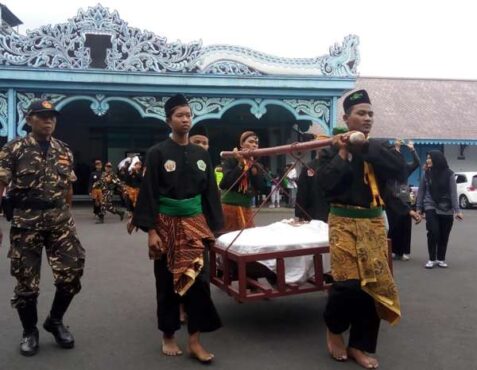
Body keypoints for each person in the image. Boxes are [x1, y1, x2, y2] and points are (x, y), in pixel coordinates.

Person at [131, 94, 223, 363]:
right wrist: (150, 231)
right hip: (166, 226)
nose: (186, 120)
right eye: (180, 115)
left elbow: (210, 195)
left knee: (199, 282)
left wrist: (214, 228)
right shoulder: (157, 153)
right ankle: (168, 335)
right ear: (168, 120)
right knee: (167, 281)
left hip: (195, 224)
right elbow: (148, 193)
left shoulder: (201, 154)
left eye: (189, 115)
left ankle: (195, 340)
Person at [316, 90, 404, 369]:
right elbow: (327, 186)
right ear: (346, 118)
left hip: (374, 223)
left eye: (370, 114)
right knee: (348, 285)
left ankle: (359, 345)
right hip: (342, 221)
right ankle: (334, 329)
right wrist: (343, 151)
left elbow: (400, 168)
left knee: (372, 287)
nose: (367, 118)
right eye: (361, 114)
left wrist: (363, 147)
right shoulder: (330, 148)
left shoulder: (378, 147)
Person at [0, 100, 85, 356]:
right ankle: (30, 331)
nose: (48, 120)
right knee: (26, 284)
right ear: (29, 119)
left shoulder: (64, 150)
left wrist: (69, 215)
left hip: (60, 222)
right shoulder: (13, 149)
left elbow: (68, 188)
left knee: (72, 273)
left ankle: (54, 321)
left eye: (52, 117)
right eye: (42, 116)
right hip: (26, 224)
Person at [416, 150, 463, 269]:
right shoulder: (426, 174)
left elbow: (453, 193)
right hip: (430, 205)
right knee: (433, 232)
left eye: (429, 158)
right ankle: (432, 259)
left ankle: (441, 258)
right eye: (427, 158)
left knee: (444, 234)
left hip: (446, 208)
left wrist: (457, 211)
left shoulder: (449, 174)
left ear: (437, 159)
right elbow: (421, 192)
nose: (427, 160)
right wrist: (419, 209)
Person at [219, 131, 263, 232]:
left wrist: (254, 170)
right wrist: (240, 163)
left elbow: (260, 187)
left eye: (256, 143)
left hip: (246, 208)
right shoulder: (231, 159)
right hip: (229, 207)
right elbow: (225, 183)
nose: (254, 145)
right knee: (228, 238)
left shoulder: (256, 164)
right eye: (251, 142)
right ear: (242, 144)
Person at [386, 139, 421, 261]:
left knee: (405, 224)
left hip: (404, 193)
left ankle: (405, 251)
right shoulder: (387, 169)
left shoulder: (405, 167)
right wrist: (396, 148)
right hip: (390, 195)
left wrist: (412, 149)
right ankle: (394, 250)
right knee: (392, 225)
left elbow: (417, 163)